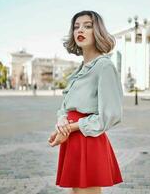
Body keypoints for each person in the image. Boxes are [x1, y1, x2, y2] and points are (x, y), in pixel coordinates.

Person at [48, 10, 123, 194]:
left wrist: (71, 127)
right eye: (76, 27)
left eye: (87, 26)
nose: (80, 30)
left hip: (88, 140)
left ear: (96, 31)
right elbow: (65, 106)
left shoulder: (104, 66)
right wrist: (61, 123)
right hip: (72, 139)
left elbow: (110, 115)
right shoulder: (79, 71)